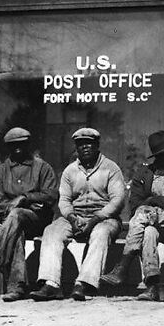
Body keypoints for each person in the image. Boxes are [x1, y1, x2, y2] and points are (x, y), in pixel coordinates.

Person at [100, 130, 164, 301]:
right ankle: (152, 285)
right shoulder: (143, 173)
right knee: (148, 231)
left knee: (143, 213)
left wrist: (152, 200)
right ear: (157, 156)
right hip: (148, 223)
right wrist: (152, 205)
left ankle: (123, 266)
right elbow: (134, 205)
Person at [29, 127, 126, 301]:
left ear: (97, 145)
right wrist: (72, 218)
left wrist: (96, 218)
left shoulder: (111, 168)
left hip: (105, 218)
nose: (85, 147)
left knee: (100, 233)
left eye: (89, 143)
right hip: (76, 216)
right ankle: (51, 285)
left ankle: (83, 283)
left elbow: (118, 200)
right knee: (51, 231)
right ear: (76, 148)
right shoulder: (70, 171)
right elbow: (64, 200)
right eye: (81, 144)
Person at [0, 127, 59, 302]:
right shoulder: (1, 171)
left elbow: (51, 195)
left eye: (21, 144)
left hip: (38, 220)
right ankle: (17, 287)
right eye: (12, 145)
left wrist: (25, 198)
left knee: (16, 216)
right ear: (7, 148)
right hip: (12, 222)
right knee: (15, 226)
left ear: (28, 144)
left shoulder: (42, 167)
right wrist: (18, 206)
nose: (17, 148)